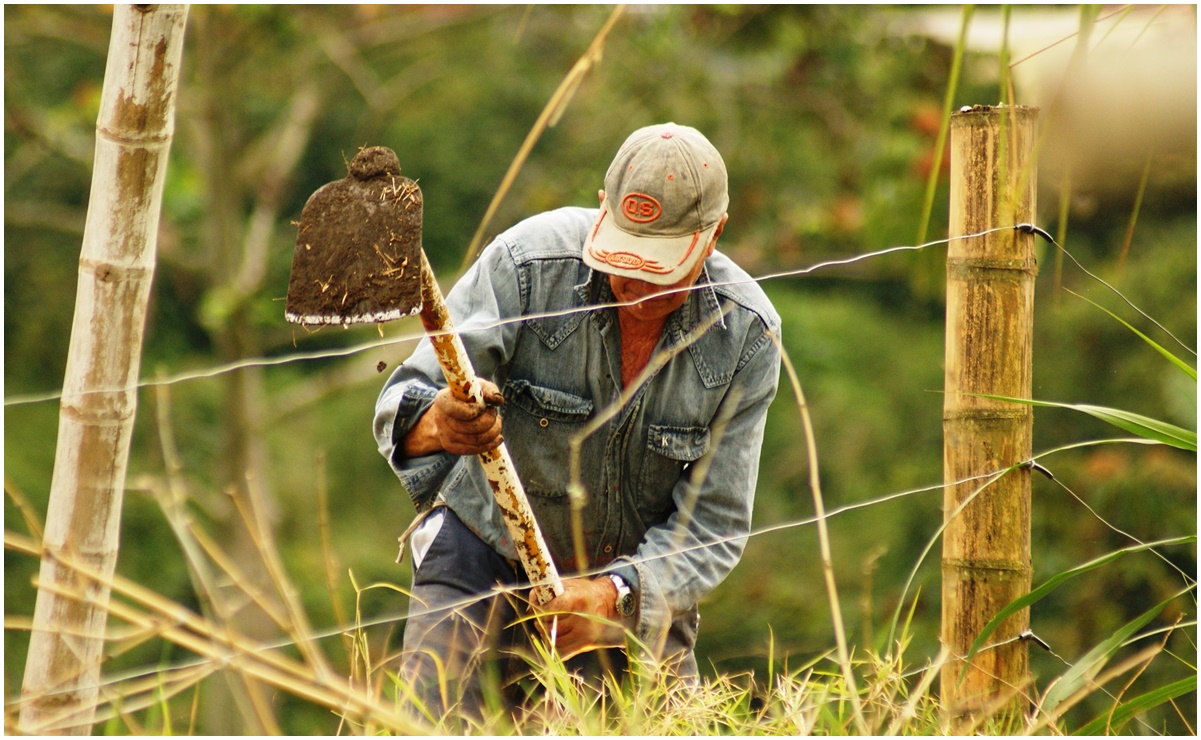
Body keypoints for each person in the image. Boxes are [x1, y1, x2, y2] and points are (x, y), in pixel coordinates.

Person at [373, 122, 781, 718]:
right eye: (625, 261)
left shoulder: (745, 335)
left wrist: (611, 598)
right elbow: (403, 405)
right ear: (603, 210)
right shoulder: (527, 265)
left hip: (630, 590)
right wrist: (441, 423)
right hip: (481, 554)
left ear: (714, 235)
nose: (637, 286)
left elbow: (713, 524)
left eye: (661, 269)